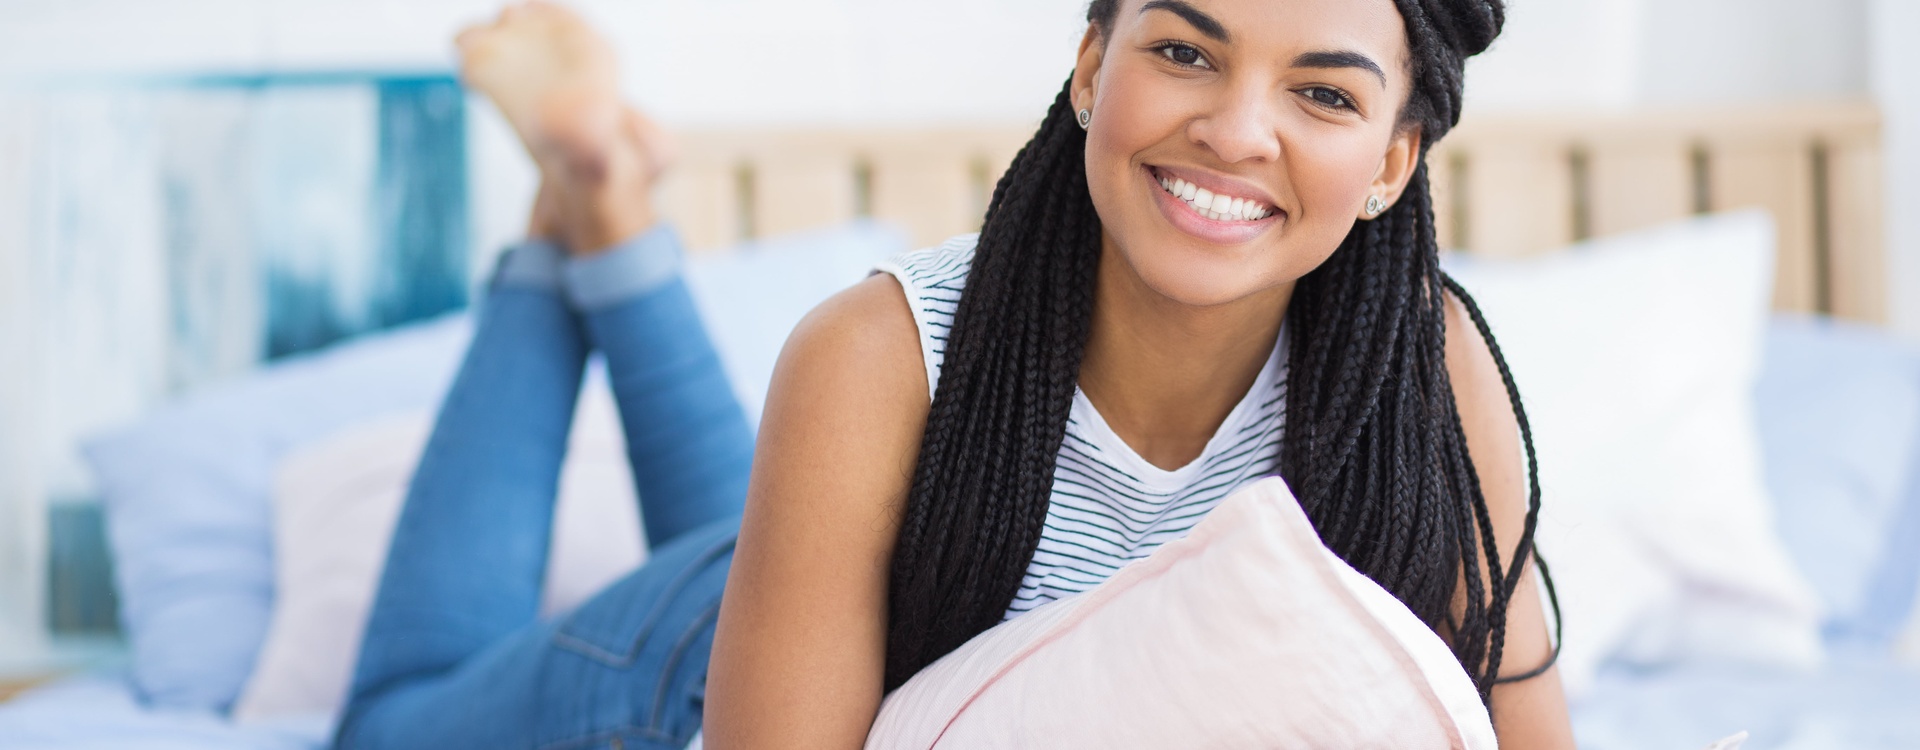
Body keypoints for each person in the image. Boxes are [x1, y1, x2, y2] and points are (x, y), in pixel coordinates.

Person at [335, 0, 1574, 747]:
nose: (1240, 129)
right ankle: (584, 205)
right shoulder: (872, 357)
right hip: (688, 680)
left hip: (831, 582)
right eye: (1187, 53)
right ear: (1093, 68)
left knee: (748, 521)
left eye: (1322, 92)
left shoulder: (1433, 381)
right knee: (388, 724)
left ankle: (601, 198)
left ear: (1394, 165)